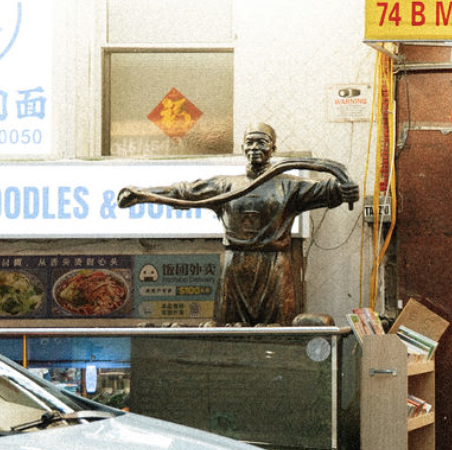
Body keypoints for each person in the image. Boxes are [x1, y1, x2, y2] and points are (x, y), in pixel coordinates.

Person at [117, 123, 358, 326]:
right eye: (250, 142)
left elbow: (330, 190)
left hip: (274, 265)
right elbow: (185, 192)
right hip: (234, 266)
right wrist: (142, 194)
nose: (255, 148)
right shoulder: (226, 185)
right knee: (228, 329)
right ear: (242, 147)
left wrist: (345, 190)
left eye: (262, 142)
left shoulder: (290, 186)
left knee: (278, 329)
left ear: (273, 148)